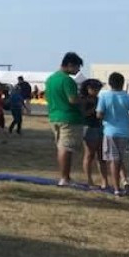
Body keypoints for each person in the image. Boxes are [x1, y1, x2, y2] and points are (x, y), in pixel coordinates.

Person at [97, 72, 129, 197]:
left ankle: (116, 188)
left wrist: (107, 116)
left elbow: (99, 114)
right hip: (125, 131)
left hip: (110, 131)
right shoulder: (128, 97)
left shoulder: (104, 96)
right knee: (119, 159)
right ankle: (124, 181)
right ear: (122, 83)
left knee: (113, 160)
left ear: (110, 83)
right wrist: (127, 118)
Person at [45, 52, 85, 186]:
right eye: (77, 67)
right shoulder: (67, 80)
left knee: (61, 147)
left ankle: (65, 177)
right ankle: (65, 178)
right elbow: (72, 99)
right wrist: (85, 100)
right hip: (68, 117)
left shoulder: (51, 79)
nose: (78, 70)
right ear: (70, 65)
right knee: (66, 148)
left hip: (54, 116)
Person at [81, 79, 108, 189]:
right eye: (95, 89)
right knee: (89, 154)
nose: (97, 91)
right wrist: (95, 109)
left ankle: (104, 181)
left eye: (98, 89)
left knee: (102, 156)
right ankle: (89, 180)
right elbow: (84, 114)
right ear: (88, 88)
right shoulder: (83, 100)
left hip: (100, 127)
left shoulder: (98, 99)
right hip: (89, 127)